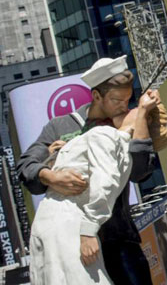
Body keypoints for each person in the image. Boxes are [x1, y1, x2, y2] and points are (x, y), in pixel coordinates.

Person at [17, 56, 158, 284]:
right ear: (96, 96)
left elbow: (140, 172)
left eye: (127, 99)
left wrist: (140, 119)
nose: (123, 105)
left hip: (116, 235)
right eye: (116, 100)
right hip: (70, 241)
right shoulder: (60, 126)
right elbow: (26, 168)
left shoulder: (128, 123)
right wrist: (49, 176)